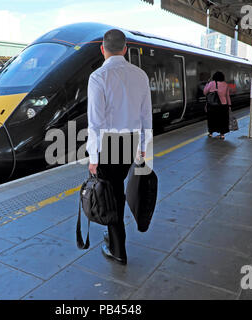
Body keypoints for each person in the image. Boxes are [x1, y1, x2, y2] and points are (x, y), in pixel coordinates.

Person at [86, 29, 152, 265]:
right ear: (125, 49)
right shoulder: (141, 75)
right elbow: (146, 117)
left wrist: (93, 157)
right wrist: (144, 146)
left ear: (102, 49)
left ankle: (117, 248)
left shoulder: (98, 77)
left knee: (111, 194)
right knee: (116, 189)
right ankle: (114, 236)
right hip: (131, 140)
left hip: (108, 143)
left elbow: (94, 123)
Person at [203, 71, 232, 140]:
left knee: (212, 119)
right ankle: (222, 135)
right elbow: (227, 96)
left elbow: (205, 92)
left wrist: (207, 84)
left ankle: (210, 133)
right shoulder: (226, 84)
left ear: (214, 77)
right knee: (222, 120)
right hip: (223, 105)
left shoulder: (211, 83)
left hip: (212, 105)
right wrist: (229, 105)